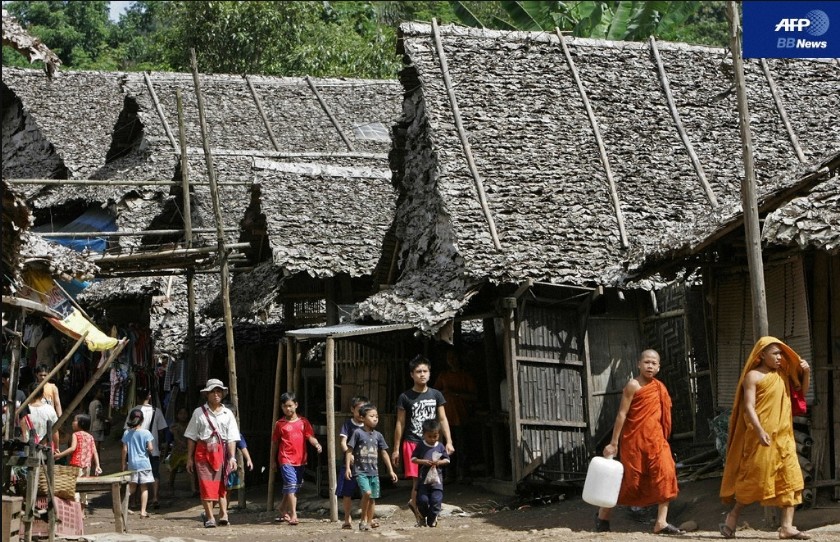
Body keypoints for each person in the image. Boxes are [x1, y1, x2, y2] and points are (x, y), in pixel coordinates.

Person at [719, 337, 811, 540]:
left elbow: (800, 395)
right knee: (755, 480)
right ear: (762, 355)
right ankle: (733, 515)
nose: (779, 357)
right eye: (775, 353)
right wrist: (759, 431)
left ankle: (787, 527)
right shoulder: (752, 376)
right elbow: (749, 406)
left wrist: (807, 373)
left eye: (781, 353)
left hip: (784, 437)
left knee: (792, 480)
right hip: (761, 438)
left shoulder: (783, 375)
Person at [594, 349, 684, 535]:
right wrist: (613, 443)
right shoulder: (633, 386)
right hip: (634, 442)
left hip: (656, 441)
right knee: (630, 482)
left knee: (666, 474)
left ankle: (661, 522)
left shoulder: (659, 387)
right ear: (639, 364)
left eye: (653, 363)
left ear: (658, 367)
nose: (650, 366)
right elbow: (622, 414)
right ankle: (603, 515)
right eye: (646, 362)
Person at [392, 355, 454, 524]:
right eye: (418, 371)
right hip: (413, 442)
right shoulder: (405, 397)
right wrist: (396, 449)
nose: (422, 374)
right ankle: (419, 511)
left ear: (430, 373)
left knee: (434, 478)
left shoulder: (436, 395)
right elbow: (400, 422)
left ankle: (427, 509)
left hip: (433, 445)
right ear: (411, 374)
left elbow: (443, 419)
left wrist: (448, 441)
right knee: (418, 482)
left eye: (425, 371)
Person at [185, 379, 240, 528]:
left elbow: (232, 438)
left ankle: (224, 514)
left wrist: (232, 457)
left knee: (222, 484)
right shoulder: (198, 413)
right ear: (207, 394)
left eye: (218, 391)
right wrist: (189, 458)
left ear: (222, 394)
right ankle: (210, 517)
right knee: (206, 485)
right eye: (213, 392)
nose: (216, 394)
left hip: (221, 452)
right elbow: (191, 436)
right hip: (202, 452)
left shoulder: (228, 413)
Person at [271, 392, 322, 526]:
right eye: (284, 406)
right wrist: (273, 461)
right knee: (291, 485)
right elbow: (275, 443)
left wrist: (316, 444)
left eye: (290, 406)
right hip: (285, 459)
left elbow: (310, 436)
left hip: (300, 460)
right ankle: (293, 514)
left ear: (296, 405)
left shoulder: (303, 422)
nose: (287, 409)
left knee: (293, 487)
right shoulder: (280, 424)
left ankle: (282, 508)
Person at [345, 403, 398, 531]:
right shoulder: (357, 433)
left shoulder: (378, 435)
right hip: (360, 471)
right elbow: (349, 450)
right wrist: (347, 468)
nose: (375, 419)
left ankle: (368, 522)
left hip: (374, 472)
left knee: (373, 498)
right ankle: (363, 519)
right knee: (367, 493)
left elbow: (384, 453)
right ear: (362, 418)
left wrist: (391, 470)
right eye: (372, 416)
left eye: (377, 416)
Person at [433, 348, 476, 482]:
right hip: (446, 419)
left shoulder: (465, 376)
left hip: (462, 417)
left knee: (463, 447)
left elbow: (474, 396)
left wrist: (455, 394)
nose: (451, 361)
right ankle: (449, 475)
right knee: (446, 447)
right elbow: (434, 394)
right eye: (449, 358)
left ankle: (463, 474)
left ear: (459, 359)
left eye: (454, 358)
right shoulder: (443, 376)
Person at [125, 386, 168, 509]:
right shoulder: (156, 411)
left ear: (137, 397)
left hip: (135, 451)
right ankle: (155, 497)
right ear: (149, 396)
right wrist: (159, 445)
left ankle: (133, 502)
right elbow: (161, 430)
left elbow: (127, 429)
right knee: (155, 474)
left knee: (134, 477)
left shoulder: (133, 411)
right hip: (153, 448)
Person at [411, 418, 451, 527]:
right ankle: (423, 515)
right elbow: (413, 459)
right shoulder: (421, 445)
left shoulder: (440, 446)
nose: (433, 439)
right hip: (423, 479)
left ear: (439, 434)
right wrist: (423, 461)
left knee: (436, 500)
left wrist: (438, 462)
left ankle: (432, 519)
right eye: (430, 436)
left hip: (437, 480)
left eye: (435, 436)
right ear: (424, 434)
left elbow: (447, 460)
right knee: (422, 500)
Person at [337, 394, 368, 529]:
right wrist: (349, 456)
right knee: (347, 492)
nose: (361, 413)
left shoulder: (368, 425)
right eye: (359, 410)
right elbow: (343, 442)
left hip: (365, 464)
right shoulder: (347, 425)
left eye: (364, 410)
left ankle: (366, 518)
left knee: (367, 492)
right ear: (352, 409)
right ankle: (347, 518)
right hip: (349, 464)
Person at [121, 407, 154, 518]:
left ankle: (122, 505)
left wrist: (123, 464)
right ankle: (143, 511)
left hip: (132, 464)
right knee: (144, 488)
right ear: (142, 420)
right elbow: (150, 448)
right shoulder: (146, 433)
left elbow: (124, 450)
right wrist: (148, 450)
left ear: (131, 419)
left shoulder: (126, 433)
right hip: (144, 464)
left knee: (132, 487)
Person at [167, 407, 196, 496]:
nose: (183, 416)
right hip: (176, 451)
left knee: (190, 469)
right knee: (173, 469)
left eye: (185, 414)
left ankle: (194, 489)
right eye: (181, 414)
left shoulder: (190, 426)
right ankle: (170, 487)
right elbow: (171, 439)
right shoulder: (174, 427)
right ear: (177, 415)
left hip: (187, 451)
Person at [24, 382, 58, 447]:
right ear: (42, 394)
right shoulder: (50, 409)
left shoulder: (24, 410)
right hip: (46, 447)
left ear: (29, 393)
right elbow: (55, 431)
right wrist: (57, 447)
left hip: (28, 446)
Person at [88, 387, 107, 454]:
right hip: (98, 426)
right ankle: (96, 458)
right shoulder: (98, 403)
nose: (102, 394)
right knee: (97, 444)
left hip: (92, 426)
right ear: (96, 393)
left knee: (94, 443)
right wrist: (107, 419)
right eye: (100, 392)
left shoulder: (91, 403)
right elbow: (98, 414)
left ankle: (95, 458)